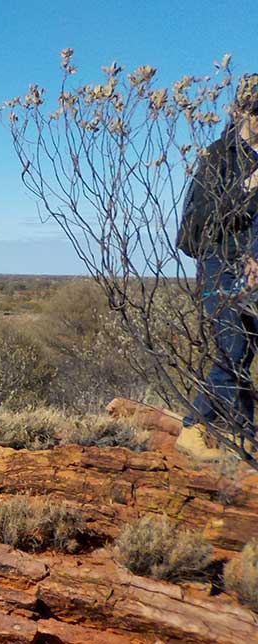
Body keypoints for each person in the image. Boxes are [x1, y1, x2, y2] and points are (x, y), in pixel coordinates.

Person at [176, 75, 258, 460]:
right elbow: (204, 220)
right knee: (234, 347)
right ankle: (195, 428)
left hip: (252, 267)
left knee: (247, 350)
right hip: (219, 263)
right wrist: (246, 190)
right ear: (240, 110)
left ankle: (244, 436)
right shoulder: (219, 155)